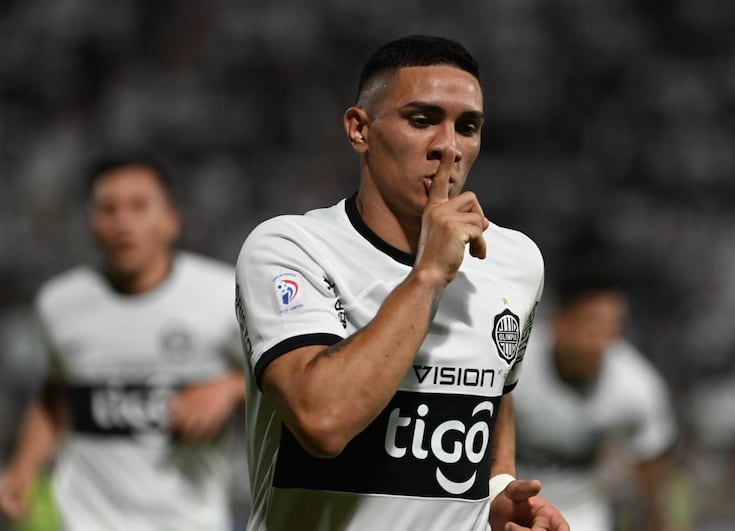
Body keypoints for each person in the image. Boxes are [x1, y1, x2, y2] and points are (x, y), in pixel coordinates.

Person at [234, 35, 569, 531]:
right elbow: (322, 420)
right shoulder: (290, 249)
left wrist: (496, 497)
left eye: (468, 127)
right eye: (422, 120)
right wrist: (429, 274)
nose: (448, 147)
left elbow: (494, 402)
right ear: (359, 129)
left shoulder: (517, 261)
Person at [0, 154, 246, 531]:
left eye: (139, 206)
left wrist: (231, 387)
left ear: (171, 219)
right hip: (85, 522)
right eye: (108, 208)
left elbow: (291, 380)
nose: (123, 222)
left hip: (190, 522)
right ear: (90, 221)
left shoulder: (223, 295)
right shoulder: (60, 303)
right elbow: (56, 396)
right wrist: (21, 469)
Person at [513, 262, 678, 531]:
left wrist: (658, 519)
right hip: (508, 502)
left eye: (612, 328)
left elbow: (651, 464)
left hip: (582, 514)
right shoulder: (514, 364)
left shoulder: (636, 385)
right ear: (558, 323)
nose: (601, 342)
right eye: (591, 326)